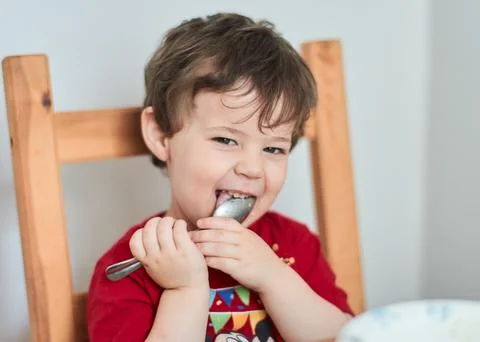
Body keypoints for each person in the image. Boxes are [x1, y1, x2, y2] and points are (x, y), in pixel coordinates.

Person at [87, 12, 353, 342]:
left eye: (273, 149)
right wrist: (185, 289)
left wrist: (273, 276)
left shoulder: (295, 245)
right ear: (160, 136)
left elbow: (345, 337)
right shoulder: (134, 265)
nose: (252, 169)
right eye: (226, 140)